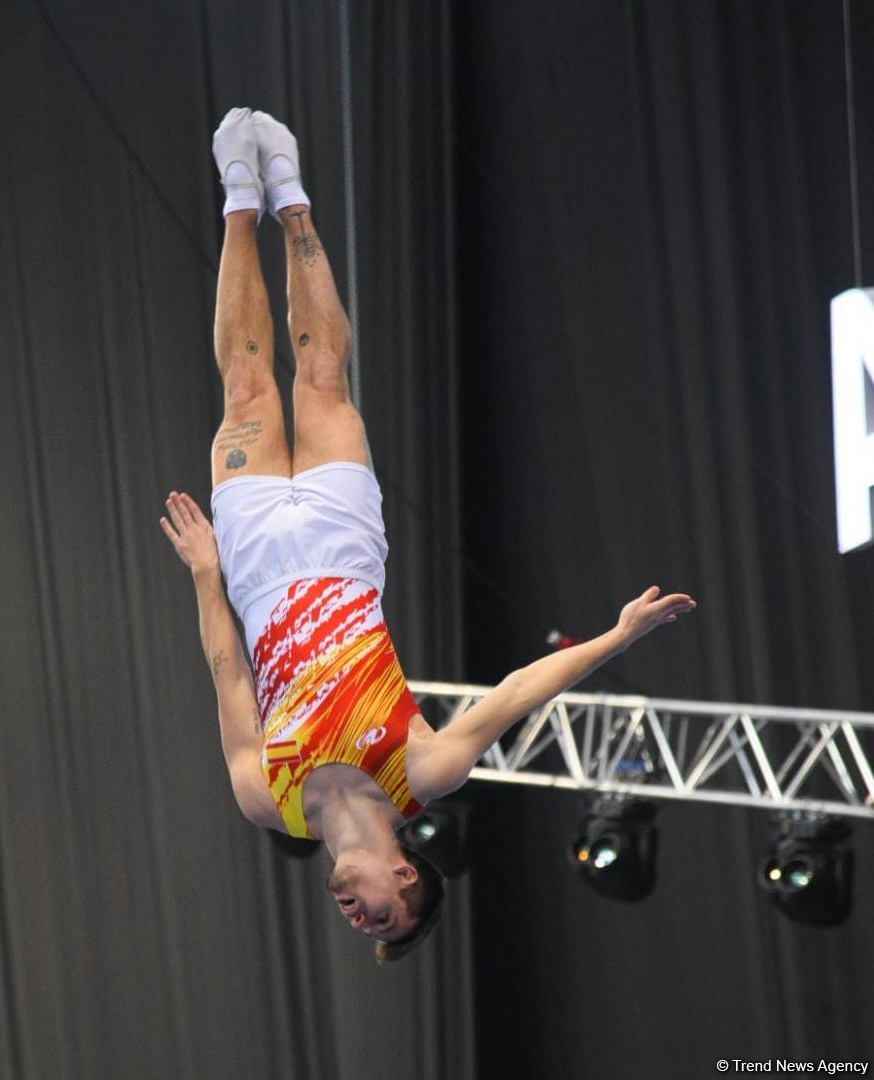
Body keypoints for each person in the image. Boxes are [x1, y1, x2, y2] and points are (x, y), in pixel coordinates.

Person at [159, 107, 696, 962]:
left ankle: (238, 200)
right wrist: (618, 636)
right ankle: (292, 201)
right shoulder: (424, 770)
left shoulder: (268, 800)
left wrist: (204, 574)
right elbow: (520, 690)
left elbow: (229, 674)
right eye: (382, 918)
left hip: (255, 568)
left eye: (361, 927)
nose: (358, 919)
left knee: (246, 386)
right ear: (407, 877)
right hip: (341, 558)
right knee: (324, 375)